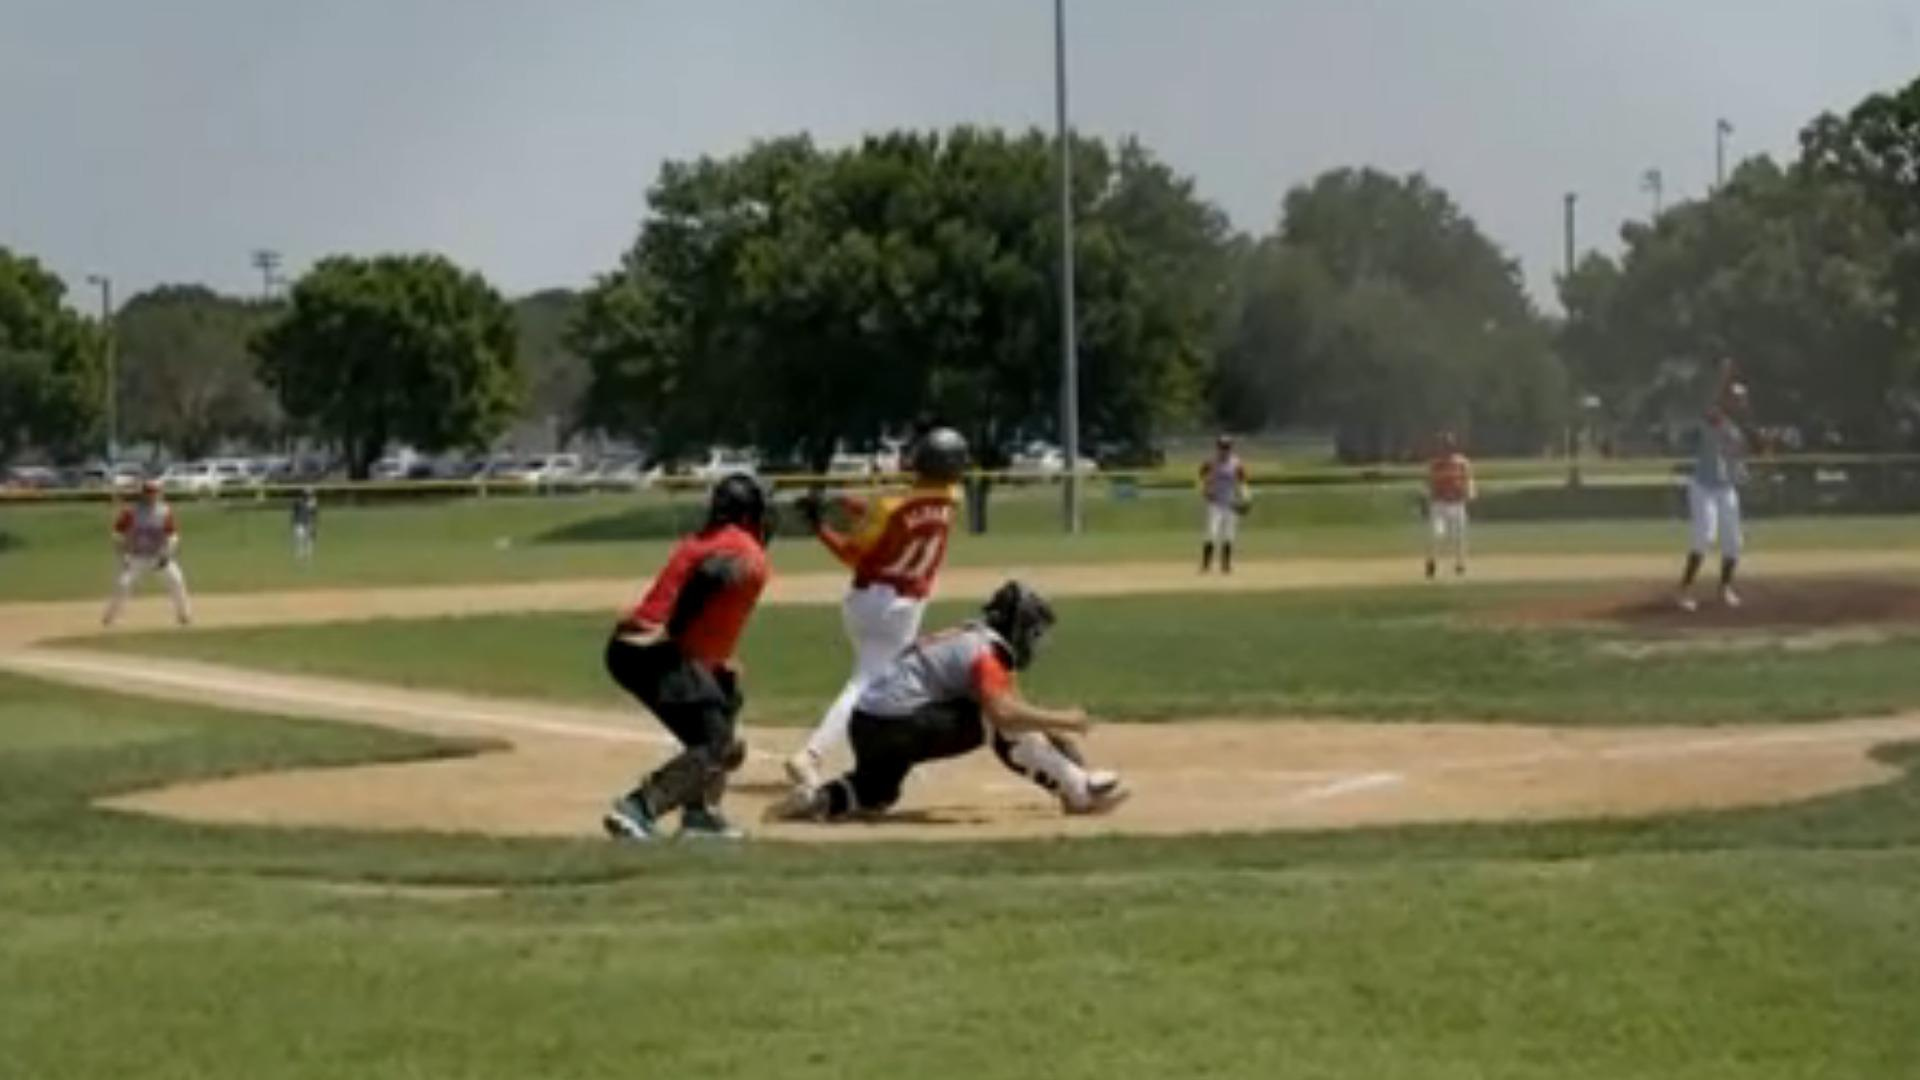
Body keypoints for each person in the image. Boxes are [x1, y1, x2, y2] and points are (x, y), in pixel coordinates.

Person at [768, 580, 1129, 823]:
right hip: (901, 721)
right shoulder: (987, 651)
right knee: (994, 720)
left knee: (875, 791)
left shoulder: (968, 636)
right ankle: (1080, 791)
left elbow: (1012, 705)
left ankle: (818, 800)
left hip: (868, 720)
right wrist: (1065, 720)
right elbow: (1004, 713)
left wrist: (1051, 734)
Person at [783, 427, 969, 791]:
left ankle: (883, 753)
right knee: (869, 683)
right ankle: (812, 754)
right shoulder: (953, 498)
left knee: (876, 680)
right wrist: (850, 505)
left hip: (866, 601)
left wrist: (820, 526)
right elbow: (900, 514)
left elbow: (856, 552)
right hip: (901, 606)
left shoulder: (891, 507)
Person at [601, 473, 773, 841]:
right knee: (716, 744)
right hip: (652, 649)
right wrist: (675, 630)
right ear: (749, 515)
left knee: (726, 698)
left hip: (643, 648)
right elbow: (712, 574)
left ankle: (700, 813)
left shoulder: (715, 540)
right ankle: (638, 808)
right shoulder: (742, 548)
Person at [1677, 372, 1750, 611]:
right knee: (1705, 537)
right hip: (1703, 487)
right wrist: (1723, 378)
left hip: (1726, 488)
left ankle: (1725, 588)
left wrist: (1739, 469)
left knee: (1734, 542)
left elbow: (1734, 457)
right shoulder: (1714, 419)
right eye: (1735, 398)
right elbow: (1711, 407)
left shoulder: (1738, 430)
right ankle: (1685, 590)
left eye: (1741, 399)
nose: (1739, 402)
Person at [102, 479, 193, 627]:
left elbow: (173, 535)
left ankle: (184, 616)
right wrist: (123, 554)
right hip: (136, 556)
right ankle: (110, 618)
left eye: (154, 492)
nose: (151, 495)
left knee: (176, 580)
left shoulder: (164, 511)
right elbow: (117, 533)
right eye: (148, 492)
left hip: (158, 557)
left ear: (159, 493)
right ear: (142, 494)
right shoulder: (131, 511)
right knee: (123, 584)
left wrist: (167, 553)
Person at [1425, 432, 1476, 579]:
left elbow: (1468, 479)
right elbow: (1430, 484)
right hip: (1439, 505)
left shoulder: (1462, 463)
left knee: (1459, 536)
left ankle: (1460, 564)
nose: (1447, 449)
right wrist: (1431, 495)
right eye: (1445, 446)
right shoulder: (1435, 464)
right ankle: (1432, 562)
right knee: (1436, 534)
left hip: (1457, 504)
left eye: (1449, 446)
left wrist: (1470, 492)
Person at [1198, 435, 1249, 574]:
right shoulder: (1211, 462)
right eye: (1222, 446)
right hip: (1215, 504)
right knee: (1211, 533)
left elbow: (1243, 481)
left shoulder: (1236, 463)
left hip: (1231, 504)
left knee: (1229, 535)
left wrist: (1245, 497)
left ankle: (1226, 565)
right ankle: (1206, 565)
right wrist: (1204, 490)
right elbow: (1200, 476)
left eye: (1227, 446)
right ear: (1217, 447)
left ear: (1231, 448)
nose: (1224, 449)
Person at [290, 488, 320, 563]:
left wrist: (314, 526)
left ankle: (308, 558)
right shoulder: (298, 502)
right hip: (299, 524)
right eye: (308, 495)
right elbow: (296, 512)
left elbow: (313, 515)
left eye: (310, 495)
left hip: (307, 524)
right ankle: (300, 559)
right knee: (300, 542)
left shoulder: (311, 503)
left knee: (308, 541)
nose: (309, 497)